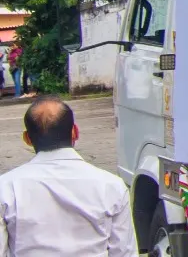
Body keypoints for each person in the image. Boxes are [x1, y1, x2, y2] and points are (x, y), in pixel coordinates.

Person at [0, 96, 137, 255]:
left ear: (27, 139)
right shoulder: (112, 187)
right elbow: (125, 252)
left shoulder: (6, 187)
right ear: (75, 132)